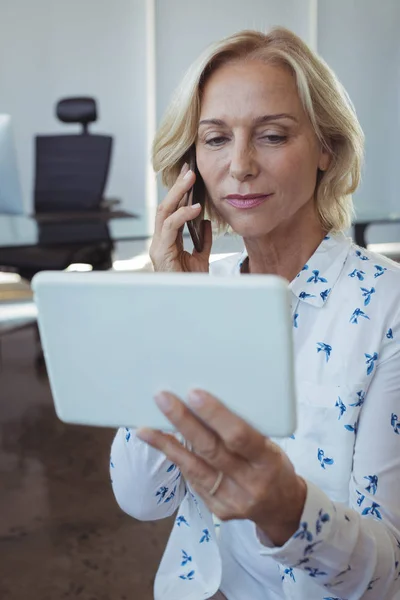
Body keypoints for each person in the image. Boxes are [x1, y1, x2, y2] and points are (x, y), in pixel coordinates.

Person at [110, 27, 400, 600]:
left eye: (271, 136)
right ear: (190, 164)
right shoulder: (199, 292)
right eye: (215, 139)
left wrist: (288, 512)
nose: (240, 166)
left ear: (326, 149)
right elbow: (143, 499)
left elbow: (387, 576)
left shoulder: (386, 306)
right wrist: (174, 309)